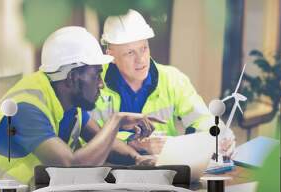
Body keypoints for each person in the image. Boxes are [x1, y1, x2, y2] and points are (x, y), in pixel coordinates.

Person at [0, 26, 162, 185]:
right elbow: (71, 170)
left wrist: (137, 158)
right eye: (96, 74)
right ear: (72, 77)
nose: (101, 84)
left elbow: (104, 142)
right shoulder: (25, 109)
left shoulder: (69, 103)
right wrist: (115, 121)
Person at [91, 9, 235, 157]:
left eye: (144, 48)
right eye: (130, 52)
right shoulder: (92, 83)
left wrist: (218, 134)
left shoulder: (172, 79)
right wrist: (132, 143)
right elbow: (86, 141)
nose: (141, 60)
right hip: (109, 171)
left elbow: (201, 118)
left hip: (164, 169)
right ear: (111, 55)